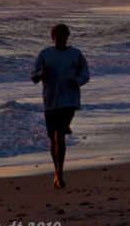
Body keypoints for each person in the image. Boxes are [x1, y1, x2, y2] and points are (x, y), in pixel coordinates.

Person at [31, 23, 89, 189]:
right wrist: (42, 73)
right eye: (58, 37)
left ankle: (60, 174)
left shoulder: (76, 54)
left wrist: (77, 81)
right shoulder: (45, 54)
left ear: (68, 37)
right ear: (53, 37)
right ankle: (57, 171)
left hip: (69, 101)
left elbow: (85, 74)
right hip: (50, 101)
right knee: (52, 139)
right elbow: (34, 77)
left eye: (64, 37)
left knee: (59, 135)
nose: (62, 40)